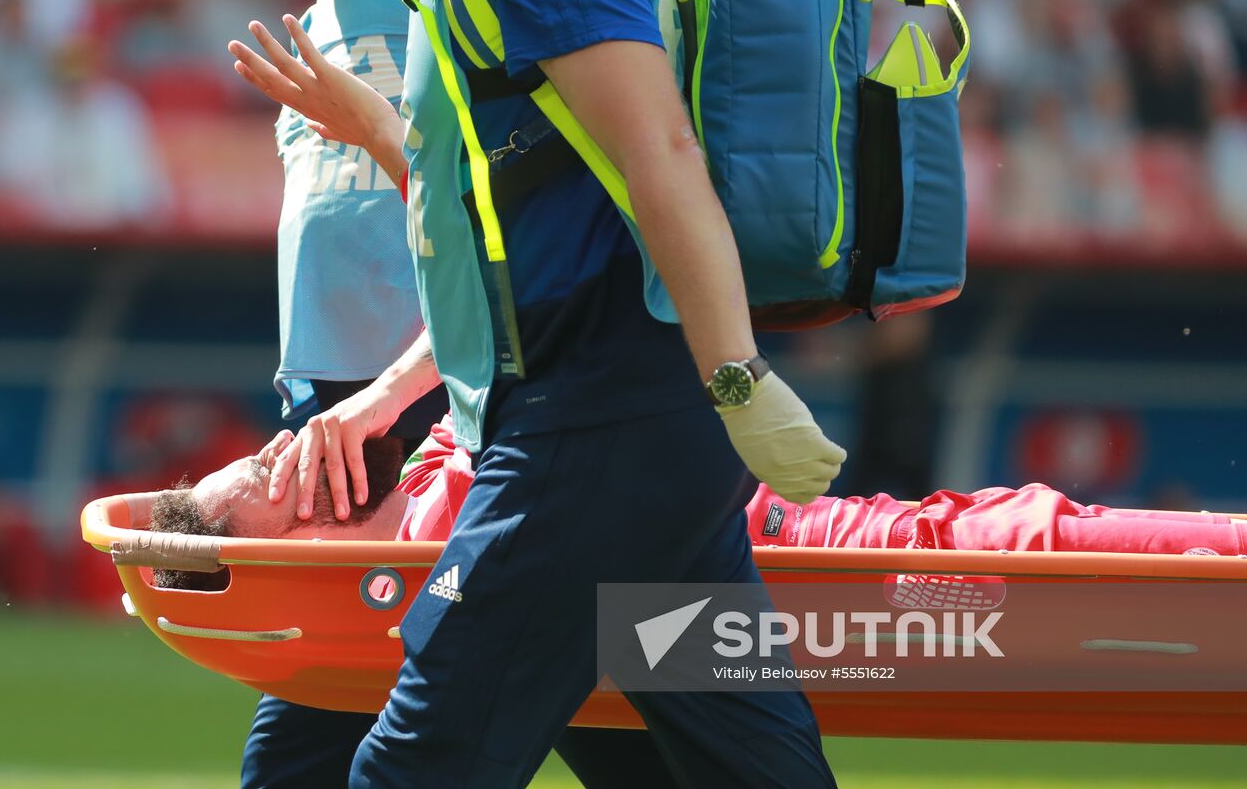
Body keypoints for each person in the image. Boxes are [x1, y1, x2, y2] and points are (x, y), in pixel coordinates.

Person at [228, 0, 845, 784]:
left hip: (591, 419)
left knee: (411, 770)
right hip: (630, 429)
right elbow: (528, 191)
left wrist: (736, 375)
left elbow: (656, 154)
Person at [175, 0, 447, 785]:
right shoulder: (329, 6)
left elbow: (508, 223)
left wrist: (398, 399)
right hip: (342, 444)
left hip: (440, 424)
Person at [153, 420, 1247, 565]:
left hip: (788, 548)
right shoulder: (444, 540)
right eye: (257, 476)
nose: (281, 448)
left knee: (1009, 526)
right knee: (1023, 538)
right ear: (281, 531)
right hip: (820, 574)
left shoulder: (441, 472)